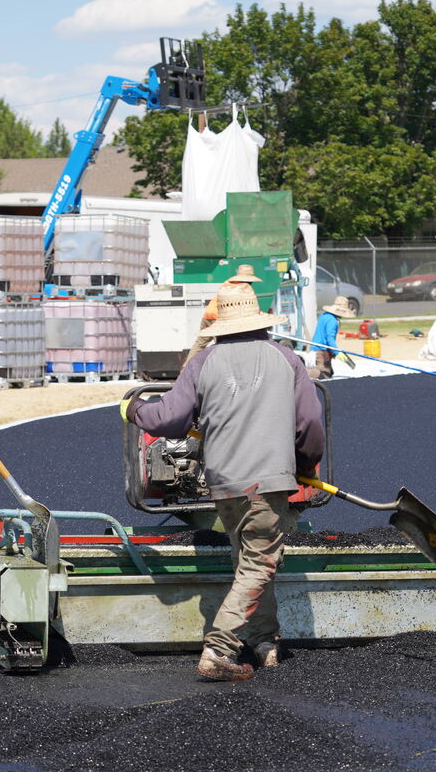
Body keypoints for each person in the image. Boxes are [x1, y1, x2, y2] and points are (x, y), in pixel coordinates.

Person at [124, 285, 325, 681]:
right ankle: (219, 649)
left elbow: (170, 420)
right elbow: (311, 425)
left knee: (249, 561)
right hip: (267, 484)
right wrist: (304, 462)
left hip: (224, 486)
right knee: (259, 563)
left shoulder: (204, 362)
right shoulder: (286, 359)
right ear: (261, 320)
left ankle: (266, 643)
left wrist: (134, 409)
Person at [182, 263, 264, 368]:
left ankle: (186, 368)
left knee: (199, 344)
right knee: (223, 347)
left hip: (208, 314)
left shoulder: (228, 284)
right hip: (220, 318)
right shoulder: (243, 288)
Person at [309, 295, 356, 380]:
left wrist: (333, 352)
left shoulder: (325, 315)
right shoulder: (332, 321)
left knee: (330, 373)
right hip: (321, 351)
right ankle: (301, 372)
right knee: (324, 375)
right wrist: (338, 352)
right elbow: (329, 339)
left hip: (318, 348)